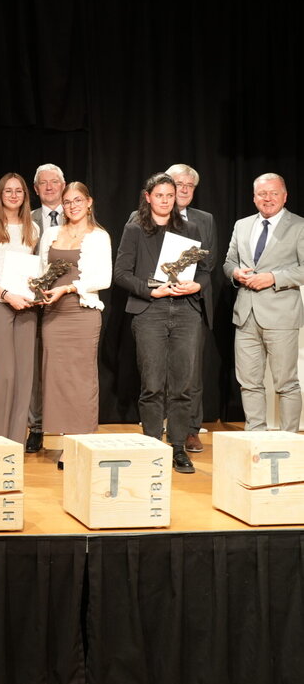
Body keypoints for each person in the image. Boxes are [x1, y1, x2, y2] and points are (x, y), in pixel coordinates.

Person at [115, 173, 211, 474]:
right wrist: (149, 289)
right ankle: (153, 446)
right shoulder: (134, 229)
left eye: (170, 195)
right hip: (150, 312)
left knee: (182, 385)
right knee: (153, 385)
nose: (166, 200)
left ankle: (178, 447)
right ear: (148, 197)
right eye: (160, 195)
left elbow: (205, 271)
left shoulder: (190, 228)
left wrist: (197, 286)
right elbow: (120, 274)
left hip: (185, 311)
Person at [38, 181, 112, 467]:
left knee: (81, 380)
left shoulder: (98, 236)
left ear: (89, 202)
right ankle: (68, 440)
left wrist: (68, 289)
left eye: (77, 200)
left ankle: (83, 442)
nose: (72, 206)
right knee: (58, 380)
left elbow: (103, 279)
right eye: (67, 201)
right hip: (53, 314)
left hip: (81, 312)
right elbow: (42, 269)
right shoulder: (52, 233)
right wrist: (37, 289)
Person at [224, 172, 304, 433]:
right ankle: (255, 437)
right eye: (262, 194)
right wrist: (235, 273)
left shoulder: (299, 226)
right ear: (254, 197)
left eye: (273, 193)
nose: (267, 198)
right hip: (246, 315)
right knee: (249, 383)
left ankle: (290, 440)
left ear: (285, 196)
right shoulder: (242, 225)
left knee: (286, 383)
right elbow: (229, 262)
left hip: (281, 316)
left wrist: (273, 278)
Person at [0, 173, 39, 446]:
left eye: (19, 191)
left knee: (24, 377)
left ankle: (16, 444)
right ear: (0, 195)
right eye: (8, 191)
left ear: (25, 196)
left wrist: (35, 291)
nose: (14, 195)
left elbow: (32, 271)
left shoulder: (32, 228)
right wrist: (5, 294)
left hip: (25, 305)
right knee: (4, 376)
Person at [164, 163, 217, 453]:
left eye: (189, 186)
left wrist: (196, 285)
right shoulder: (149, 214)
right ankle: (158, 424)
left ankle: (190, 430)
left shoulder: (205, 219)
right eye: (177, 184)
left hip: (191, 302)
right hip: (156, 300)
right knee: (157, 371)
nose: (183, 190)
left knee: (191, 372)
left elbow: (207, 263)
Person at [28, 163, 66, 450]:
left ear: (63, 186)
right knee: (34, 367)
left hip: (69, 302)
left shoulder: (78, 216)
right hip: (32, 302)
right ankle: (36, 427)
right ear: (36, 188)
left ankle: (67, 426)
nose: (50, 187)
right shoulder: (26, 220)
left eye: (55, 182)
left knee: (64, 367)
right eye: (44, 183)